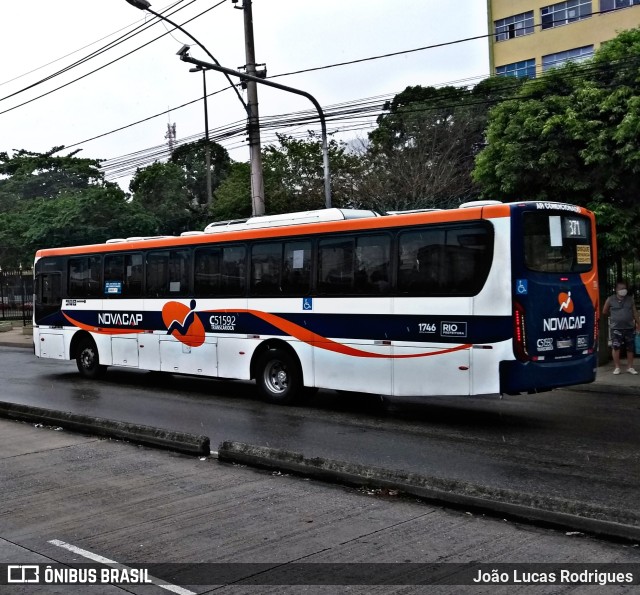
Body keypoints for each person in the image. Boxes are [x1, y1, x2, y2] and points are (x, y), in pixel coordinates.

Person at [602, 281, 640, 375]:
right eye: (621, 288)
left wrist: (639, 323)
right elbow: (604, 311)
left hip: (629, 327)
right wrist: (616, 317)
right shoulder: (610, 299)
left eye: (625, 288)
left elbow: (635, 312)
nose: (623, 290)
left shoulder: (630, 299)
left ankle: (630, 367)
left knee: (630, 348)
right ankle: (617, 367)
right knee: (616, 347)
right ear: (616, 289)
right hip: (616, 328)